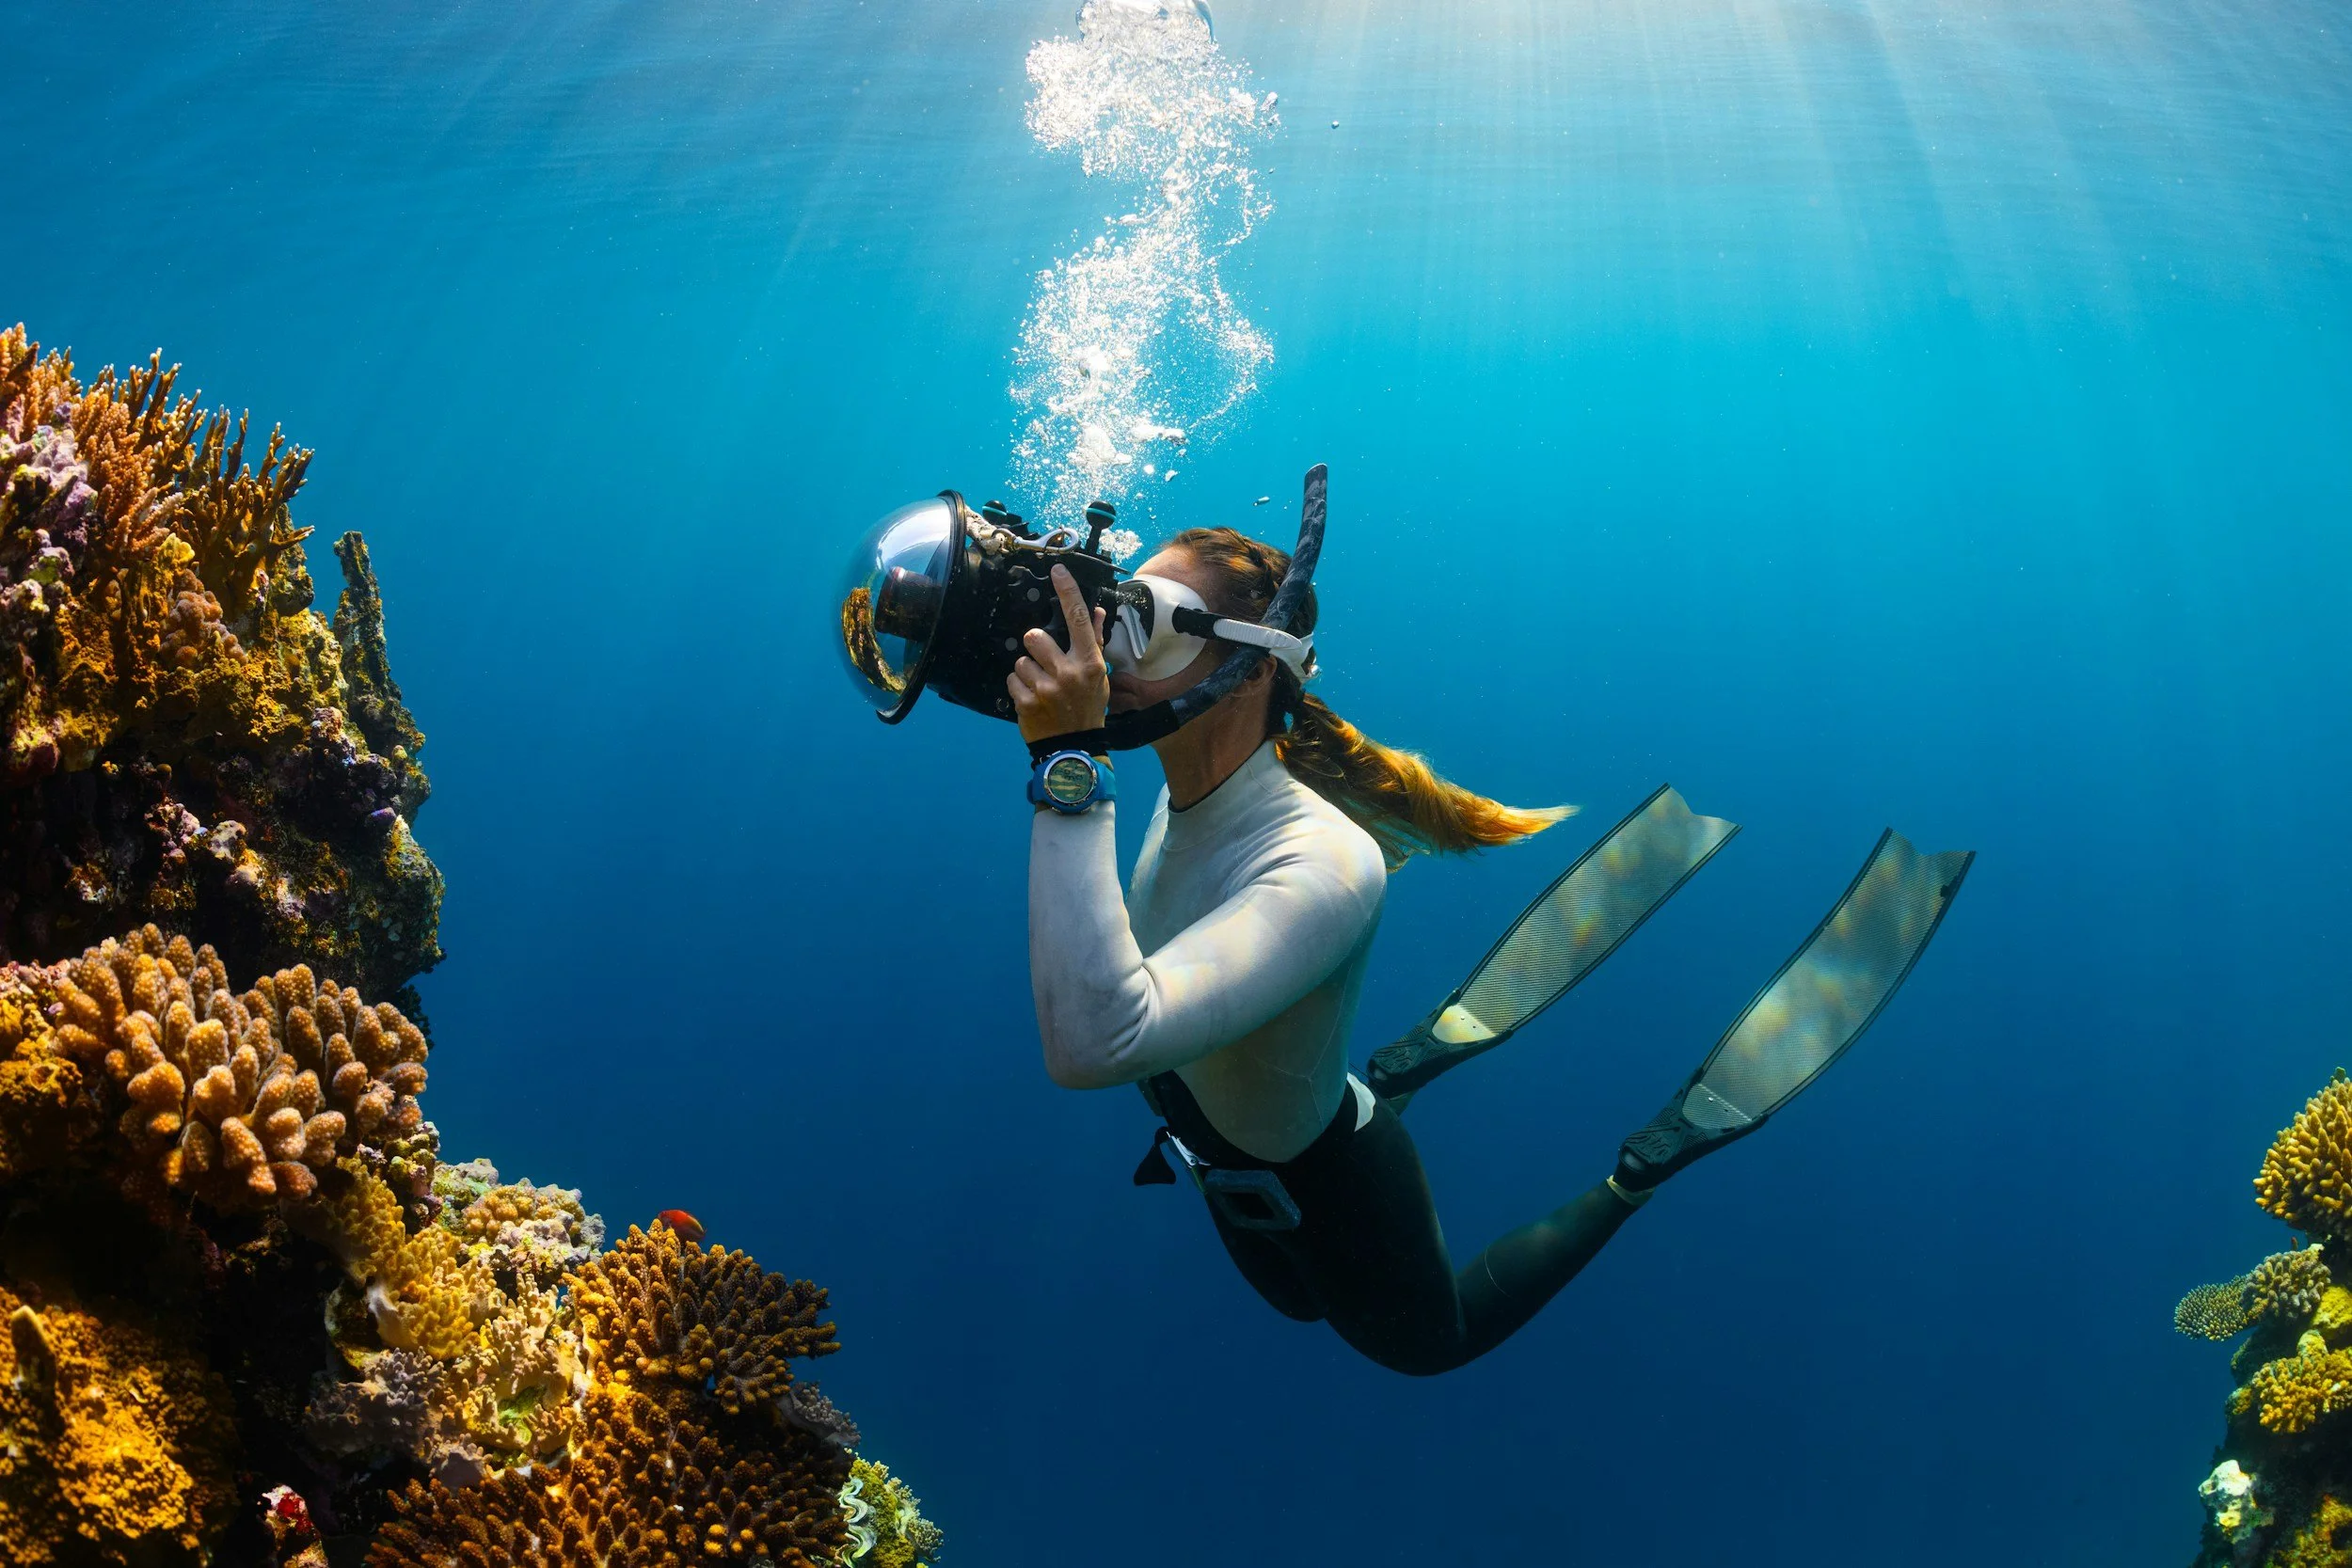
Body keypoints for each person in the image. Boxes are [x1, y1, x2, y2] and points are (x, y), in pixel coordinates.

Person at [1009, 522, 1969, 1376]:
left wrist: (1069, 765)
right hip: (1215, 1143)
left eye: (1146, 618)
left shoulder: (1324, 865)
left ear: (1253, 663)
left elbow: (1098, 1037)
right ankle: (1395, 1068)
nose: (1105, 647)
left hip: (1330, 1177)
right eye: (1112, 608)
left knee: (1430, 1345)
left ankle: (1640, 1166)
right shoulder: (1183, 804)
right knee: (1295, 1301)